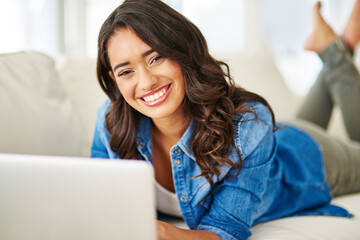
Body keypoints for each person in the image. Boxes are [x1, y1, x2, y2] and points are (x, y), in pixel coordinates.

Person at [91, 0, 360, 239]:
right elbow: (102, 202)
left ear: (182, 50)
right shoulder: (110, 121)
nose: (146, 82)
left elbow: (225, 229)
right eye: (126, 71)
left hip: (304, 160)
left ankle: (335, 52)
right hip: (268, 139)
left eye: (156, 57)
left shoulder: (249, 125)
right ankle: (338, 47)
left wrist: (162, 232)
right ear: (114, 78)